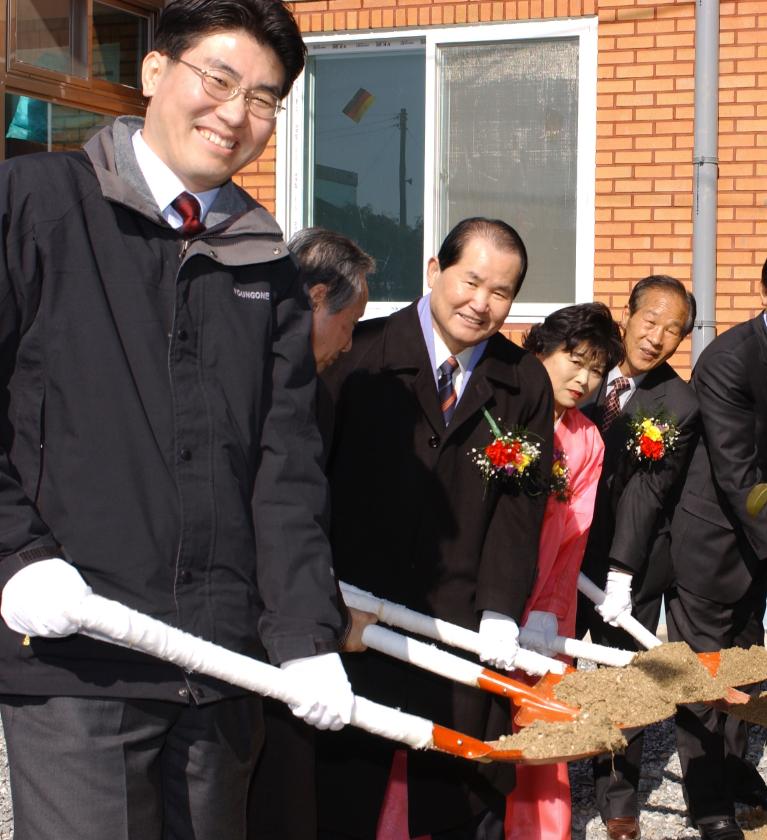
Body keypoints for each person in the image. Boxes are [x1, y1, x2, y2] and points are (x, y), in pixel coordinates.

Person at [0, 2, 354, 838]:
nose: (236, 115)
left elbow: (285, 465)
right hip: (81, 655)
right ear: (155, 74)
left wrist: (305, 633)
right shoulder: (36, 204)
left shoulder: (262, 259)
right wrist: (15, 552)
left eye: (264, 98)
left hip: (220, 665)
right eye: (219, 80)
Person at [317, 217, 554, 840]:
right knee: (338, 789)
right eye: (470, 281)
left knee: (459, 794)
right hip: (353, 611)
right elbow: (306, 483)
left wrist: (502, 608)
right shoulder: (356, 355)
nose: (481, 303)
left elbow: (519, 507)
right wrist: (315, 593)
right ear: (433, 271)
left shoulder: (522, 379)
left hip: (458, 617)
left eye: (501, 292)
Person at [667, 241, 767, 840]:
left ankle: (736, 775)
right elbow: (737, 471)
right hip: (713, 539)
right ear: (766, 291)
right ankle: (708, 804)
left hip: (758, 539)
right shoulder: (730, 358)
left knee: (748, 662)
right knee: (706, 674)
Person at [248, 227, 376, 840]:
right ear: (317, 297)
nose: (350, 343)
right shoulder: (244, 373)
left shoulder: (315, 393)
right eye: (350, 322)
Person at [577, 275, 701, 840]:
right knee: (541, 661)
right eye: (650, 320)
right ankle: (538, 777)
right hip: (561, 546)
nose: (656, 337)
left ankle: (618, 797)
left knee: (623, 675)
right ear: (627, 313)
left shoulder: (677, 402)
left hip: (632, 558)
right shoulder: (583, 365)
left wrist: (621, 571)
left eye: (673, 330)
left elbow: (647, 493)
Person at [505, 302, 621, 840]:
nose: (585, 379)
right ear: (541, 350)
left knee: (540, 735)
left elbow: (575, 536)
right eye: (575, 359)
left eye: (597, 369)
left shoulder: (586, 439)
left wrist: (550, 613)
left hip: (548, 606)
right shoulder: (502, 411)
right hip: (489, 597)